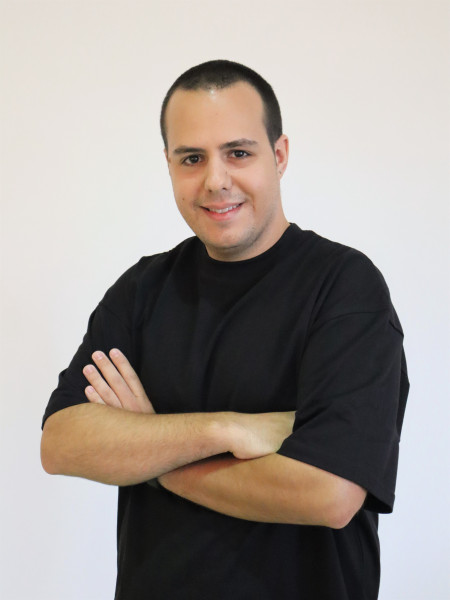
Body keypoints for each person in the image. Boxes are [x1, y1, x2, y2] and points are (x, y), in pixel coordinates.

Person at [41, 60, 409, 600]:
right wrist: (226, 430)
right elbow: (62, 442)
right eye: (192, 158)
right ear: (169, 165)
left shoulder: (345, 289)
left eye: (238, 153)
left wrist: (154, 458)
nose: (215, 180)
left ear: (279, 155)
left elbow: (328, 494)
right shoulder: (142, 289)